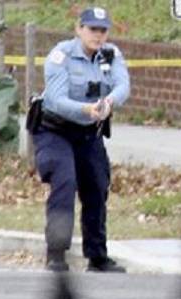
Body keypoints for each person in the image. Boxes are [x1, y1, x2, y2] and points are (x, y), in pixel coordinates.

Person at [32, 7, 130, 273]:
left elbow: (123, 85)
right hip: (55, 131)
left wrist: (109, 102)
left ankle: (97, 256)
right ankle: (56, 254)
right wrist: (86, 109)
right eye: (92, 29)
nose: (98, 35)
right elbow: (55, 100)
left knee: (97, 185)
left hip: (88, 132)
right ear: (79, 29)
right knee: (65, 182)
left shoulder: (110, 54)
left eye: (103, 30)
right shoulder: (61, 55)